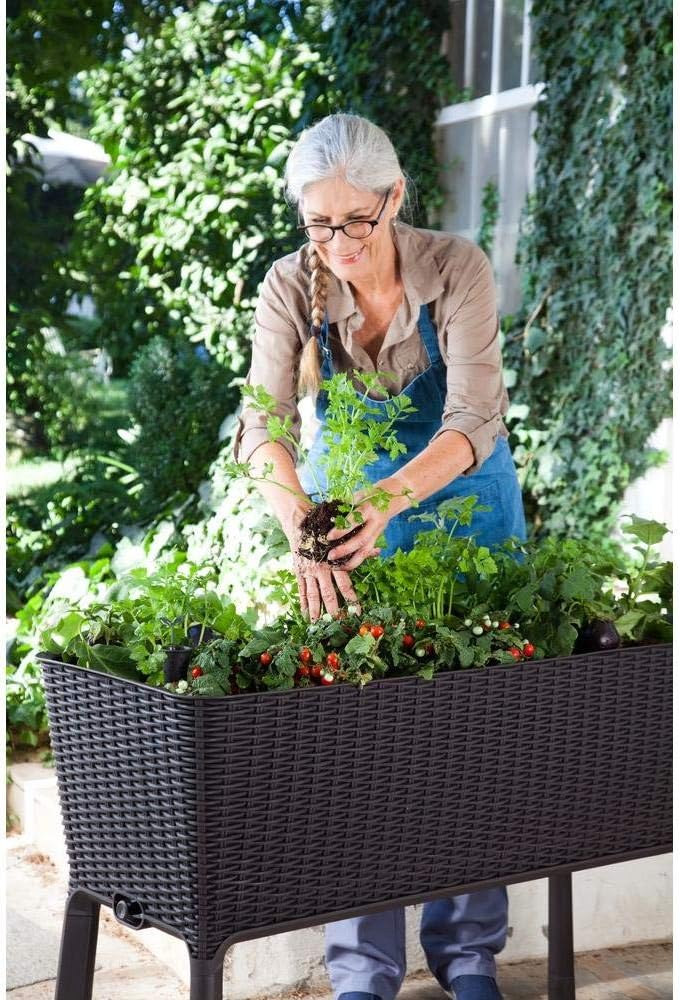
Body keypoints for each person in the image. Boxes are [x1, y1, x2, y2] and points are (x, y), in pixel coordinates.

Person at [234, 113, 527, 1000]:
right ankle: (365, 972)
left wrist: (387, 498)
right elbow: (265, 425)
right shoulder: (292, 286)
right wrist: (301, 526)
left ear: (395, 199)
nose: (337, 243)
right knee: (357, 748)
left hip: (463, 519)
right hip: (342, 528)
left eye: (355, 221)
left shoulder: (456, 270)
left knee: (474, 741)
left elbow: (474, 416)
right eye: (317, 223)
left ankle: (470, 957)